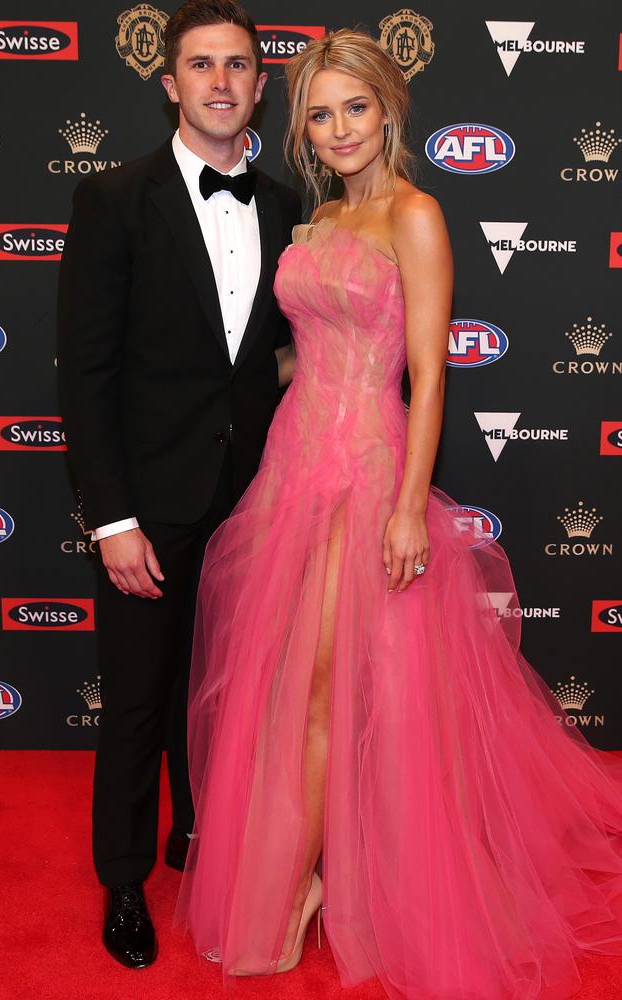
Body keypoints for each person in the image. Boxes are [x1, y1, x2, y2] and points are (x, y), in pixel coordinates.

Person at [174, 27, 622, 1000]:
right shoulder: (312, 226)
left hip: (371, 470)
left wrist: (410, 505)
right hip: (293, 467)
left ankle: (301, 885)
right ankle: (310, 878)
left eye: (354, 108)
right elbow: (302, 352)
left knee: (333, 688)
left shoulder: (415, 214)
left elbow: (427, 377)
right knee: (286, 687)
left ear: (388, 110)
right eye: (320, 114)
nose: (338, 129)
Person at [56, 0, 301, 970]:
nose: (220, 81)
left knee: (226, 694)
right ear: (169, 84)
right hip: (146, 507)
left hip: (255, 505)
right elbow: (86, 372)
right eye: (200, 64)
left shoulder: (286, 205)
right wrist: (110, 518)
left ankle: (199, 836)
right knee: (138, 701)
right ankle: (123, 879)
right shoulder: (114, 199)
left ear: (258, 81)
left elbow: (278, 356)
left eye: (237, 64)